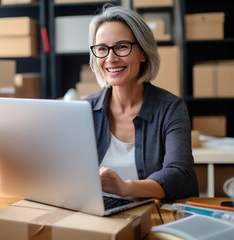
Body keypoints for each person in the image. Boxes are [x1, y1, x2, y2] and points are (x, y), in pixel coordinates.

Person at [84, 4, 199, 201]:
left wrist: (125, 187)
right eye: (102, 49)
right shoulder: (83, 110)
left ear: (143, 52)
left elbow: (181, 175)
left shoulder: (171, 109)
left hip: (149, 216)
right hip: (93, 215)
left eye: (121, 47)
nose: (110, 58)